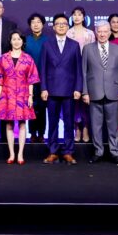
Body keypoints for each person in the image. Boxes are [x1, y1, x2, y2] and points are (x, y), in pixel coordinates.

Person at [82, 21, 118, 165]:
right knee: (96, 126)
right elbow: (84, 72)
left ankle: (115, 152)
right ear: (96, 32)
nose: (102, 34)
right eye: (99, 31)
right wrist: (85, 92)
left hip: (113, 92)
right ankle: (98, 152)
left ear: (109, 33)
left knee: (113, 126)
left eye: (105, 31)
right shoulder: (87, 48)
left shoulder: (117, 49)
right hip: (94, 92)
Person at [39, 13, 83, 165]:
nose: (61, 26)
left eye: (64, 23)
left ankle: (68, 152)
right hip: (51, 90)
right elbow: (43, 68)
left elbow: (78, 69)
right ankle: (53, 151)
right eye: (58, 24)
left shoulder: (74, 45)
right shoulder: (47, 44)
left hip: (69, 90)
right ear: (53, 27)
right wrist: (43, 88)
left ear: (68, 26)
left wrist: (78, 88)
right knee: (52, 123)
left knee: (69, 122)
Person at [0, 31, 39, 165]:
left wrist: (31, 96)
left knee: (22, 124)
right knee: (8, 124)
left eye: (19, 39)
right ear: (10, 41)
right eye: (14, 39)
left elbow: (32, 79)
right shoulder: (3, 58)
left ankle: (20, 154)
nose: (16, 41)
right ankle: (11, 154)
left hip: (23, 95)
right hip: (7, 95)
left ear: (22, 41)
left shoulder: (28, 59)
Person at [68, 6, 93, 143]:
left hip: (88, 71)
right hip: (71, 70)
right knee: (74, 101)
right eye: (74, 14)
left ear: (84, 17)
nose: (77, 17)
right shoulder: (68, 32)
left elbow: (93, 53)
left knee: (86, 100)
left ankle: (86, 127)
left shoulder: (90, 34)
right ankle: (76, 127)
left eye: (79, 14)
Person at [24, 13, 48, 143]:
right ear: (30, 25)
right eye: (33, 22)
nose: (36, 24)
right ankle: (32, 133)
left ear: (43, 24)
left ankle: (42, 133)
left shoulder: (48, 40)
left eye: (38, 22)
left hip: (44, 79)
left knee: (42, 108)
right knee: (31, 106)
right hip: (28, 80)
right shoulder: (25, 40)